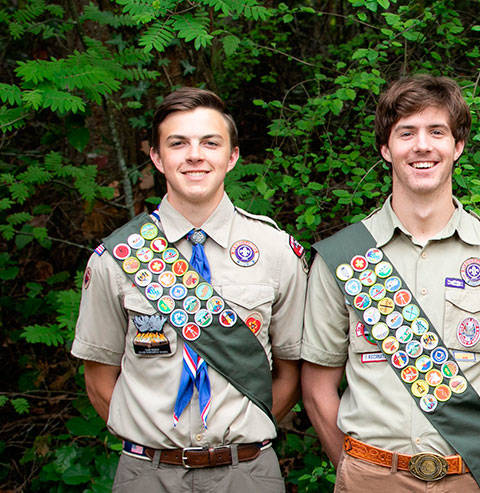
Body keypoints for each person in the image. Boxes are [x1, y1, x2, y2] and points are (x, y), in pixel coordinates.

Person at [299, 74, 480, 493]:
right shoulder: (343, 257)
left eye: (437, 132)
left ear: (458, 146)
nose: (422, 145)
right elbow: (317, 386)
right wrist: (356, 471)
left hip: (468, 479)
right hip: (369, 478)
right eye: (406, 132)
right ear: (386, 148)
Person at [72, 87, 306, 492]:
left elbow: (292, 371)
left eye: (210, 143)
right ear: (157, 157)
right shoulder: (119, 257)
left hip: (247, 473)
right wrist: (154, 445)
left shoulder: (276, 252)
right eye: (178, 143)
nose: (195, 155)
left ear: (232, 156)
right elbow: (98, 377)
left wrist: (241, 439)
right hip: (147, 475)